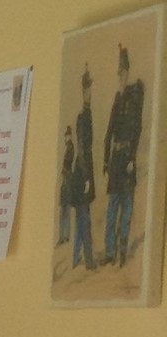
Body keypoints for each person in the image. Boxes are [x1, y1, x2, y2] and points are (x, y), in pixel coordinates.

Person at [103, 43, 145, 265]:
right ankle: (109, 253)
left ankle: (121, 252)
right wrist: (105, 161)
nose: (121, 77)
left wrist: (131, 159)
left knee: (126, 209)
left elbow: (137, 129)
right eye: (119, 73)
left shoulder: (133, 98)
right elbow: (109, 131)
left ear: (128, 73)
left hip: (127, 160)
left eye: (124, 72)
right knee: (112, 209)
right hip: (115, 162)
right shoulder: (117, 99)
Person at [72, 67, 97, 270]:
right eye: (87, 91)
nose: (89, 94)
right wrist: (87, 177)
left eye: (90, 91)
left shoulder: (86, 114)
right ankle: (88, 261)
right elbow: (81, 149)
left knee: (82, 219)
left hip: (83, 171)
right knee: (84, 219)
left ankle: (78, 258)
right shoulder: (83, 117)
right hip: (81, 174)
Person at [59, 125, 75, 242]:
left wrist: (64, 171)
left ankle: (65, 235)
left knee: (66, 208)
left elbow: (68, 162)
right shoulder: (69, 147)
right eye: (66, 136)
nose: (66, 138)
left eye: (67, 136)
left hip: (68, 178)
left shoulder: (70, 147)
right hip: (66, 178)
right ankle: (64, 235)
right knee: (65, 208)